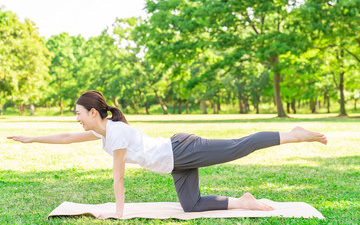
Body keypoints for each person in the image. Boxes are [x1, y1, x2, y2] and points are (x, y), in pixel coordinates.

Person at [7, 90, 327, 219]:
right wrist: (32, 138)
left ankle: (294, 135)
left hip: (180, 150)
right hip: (175, 162)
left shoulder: (115, 132)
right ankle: (244, 201)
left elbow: (118, 176)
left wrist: (119, 212)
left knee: (237, 146)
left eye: (78, 112)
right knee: (191, 205)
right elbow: (65, 137)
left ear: (93, 112)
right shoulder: (101, 129)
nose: (76, 118)